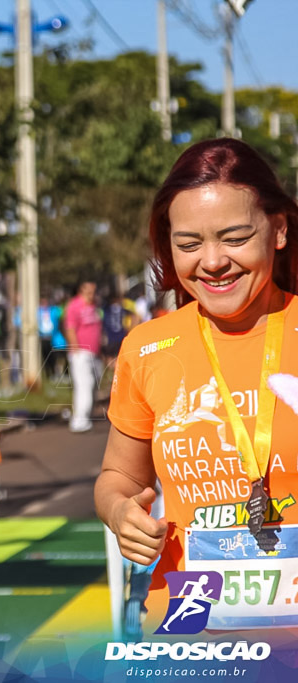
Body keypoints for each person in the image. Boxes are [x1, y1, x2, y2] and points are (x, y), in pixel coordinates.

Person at [96, 138, 298, 643]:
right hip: (191, 629)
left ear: (278, 229)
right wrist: (122, 513)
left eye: (234, 238)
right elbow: (118, 475)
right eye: (188, 244)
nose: (212, 262)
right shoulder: (147, 347)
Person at [64, 279, 102, 432]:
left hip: (95, 352)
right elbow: (70, 328)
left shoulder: (94, 305)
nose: (91, 294)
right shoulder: (74, 306)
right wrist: (75, 348)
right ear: (81, 289)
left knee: (94, 384)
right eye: (88, 291)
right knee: (84, 385)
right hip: (81, 352)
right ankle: (79, 420)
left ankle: (87, 415)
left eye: (93, 291)